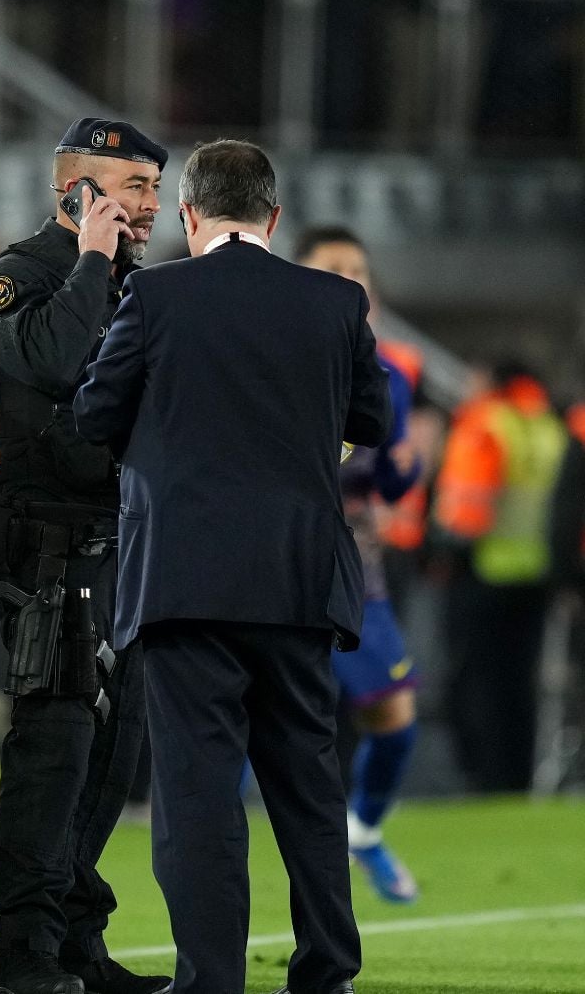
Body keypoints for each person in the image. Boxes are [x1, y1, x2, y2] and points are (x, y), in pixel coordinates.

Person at [76, 139, 390, 994]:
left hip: (185, 582)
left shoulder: (155, 292)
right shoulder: (335, 302)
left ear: (188, 212)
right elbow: (374, 417)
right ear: (273, 215)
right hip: (298, 579)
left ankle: (211, 978)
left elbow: (96, 410)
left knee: (199, 794)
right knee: (309, 788)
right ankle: (326, 971)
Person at [0, 117, 171, 994]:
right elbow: (48, 363)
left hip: (126, 543)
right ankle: (27, 953)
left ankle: (79, 942)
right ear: (75, 191)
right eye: (130, 187)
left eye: (155, 189)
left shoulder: (138, 287)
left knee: (114, 755)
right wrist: (90, 257)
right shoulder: (23, 276)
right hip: (51, 551)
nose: (150, 205)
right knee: (55, 751)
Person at [296, 228, 425, 902]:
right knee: (245, 714)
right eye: (333, 268)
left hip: (354, 561)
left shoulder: (392, 373)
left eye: (358, 270)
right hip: (278, 555)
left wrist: (410, 469)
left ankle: (365, 832)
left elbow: (391, 475)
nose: (350, 280)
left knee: (395, 717)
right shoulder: (276, 354)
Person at [432, 359, 567, 793]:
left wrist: (442, 549)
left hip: (484, 570)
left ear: (491, 380)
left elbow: (467, 508)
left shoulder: (486, 422)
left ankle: (487, 780)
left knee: (480, 683)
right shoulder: (548, 426)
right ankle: (519, 778)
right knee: (521, 684)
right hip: (537, 571)